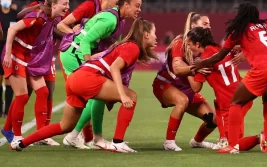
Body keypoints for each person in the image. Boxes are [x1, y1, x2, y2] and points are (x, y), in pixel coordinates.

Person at [10, 18, 158, 153]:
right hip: (87, 78)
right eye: (153, 33)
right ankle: (117, 142)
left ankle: (21, 143)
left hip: (76, 78)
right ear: (145, 34)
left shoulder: (126, 45)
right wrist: (123, 95)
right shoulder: (133, 47)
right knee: (132, 95)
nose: (156, 37)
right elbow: (114, 68)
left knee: (65, 126)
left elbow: (97, 58)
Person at [193, 2, 267, 154]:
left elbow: (219, 56)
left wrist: (201, 62)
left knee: (236, 103)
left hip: (263, 69)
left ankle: (232, 146)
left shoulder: (238, 30)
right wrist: (244, 48)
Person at [61, 0, 141, 150]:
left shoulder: (120, 21)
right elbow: (85, 41)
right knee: (94, 96)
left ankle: (95, 138)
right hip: (76, 53)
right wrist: (90, 66)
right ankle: (73, 135)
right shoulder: (110, 20)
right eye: (137, 6)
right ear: (126, 5)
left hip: (85, 55)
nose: (139, 9)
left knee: (98, 97)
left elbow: (114, 48)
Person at [0, 0, 69, 145]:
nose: (67, 7)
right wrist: (7, 54)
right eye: (64, 3)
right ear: (54, 4)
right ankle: (17, 137)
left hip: (28, 56)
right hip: (15, 54)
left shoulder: (52, 18)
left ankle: (35, 134)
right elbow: (12, 29)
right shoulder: (38, 17)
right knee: (22, 96)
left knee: (41, 92)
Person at [186, 27, 260, 151]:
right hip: (245, 93)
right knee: (217, 102)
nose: (188, 48)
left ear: (197, 44)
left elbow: (196, 88)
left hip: (231, 103)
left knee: (234, 144)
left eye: (189, 44)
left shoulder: (203, 61)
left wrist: (188, 71)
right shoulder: (222, 49)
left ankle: (260, 138)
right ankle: (222, 139)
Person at [152, 12, 217, 152]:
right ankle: (169, 142)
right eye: (205, 24)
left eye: (210, 24)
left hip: (186, 91)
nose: (209, 27)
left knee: (214, 119)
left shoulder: (205, 49)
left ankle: (197, 142)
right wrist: (196, 69)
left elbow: (195, 88)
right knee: (182, 101)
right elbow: (176, 68)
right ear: (194, 26)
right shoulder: (180, 43)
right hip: (165, 84)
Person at [0, 0, 17, 118]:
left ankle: (7, 112)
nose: (6, 0)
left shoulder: (15, 15)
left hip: (10, 50)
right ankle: (0, 110)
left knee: (9, 81)